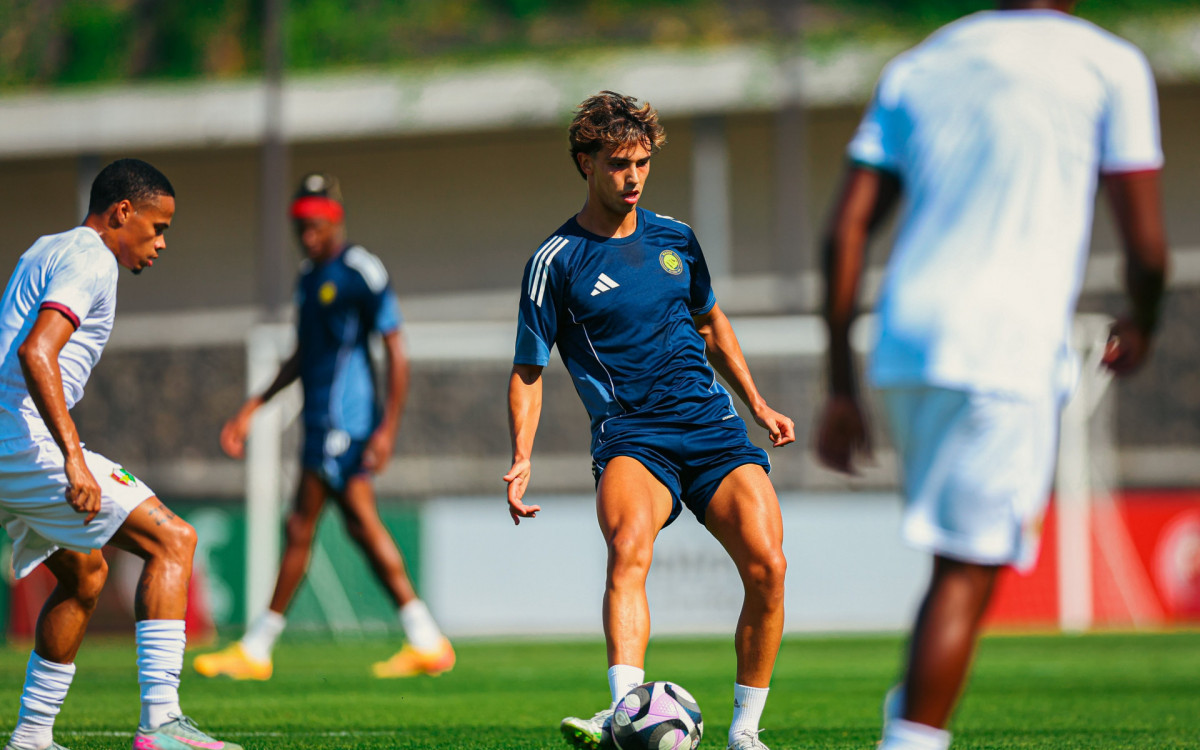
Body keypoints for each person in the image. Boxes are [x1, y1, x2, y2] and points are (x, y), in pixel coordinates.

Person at [814, 3, 1169, 749]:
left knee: (956, 565)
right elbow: (1148, 250)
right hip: (1002, 345)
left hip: (906, 338)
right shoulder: (1107, 63)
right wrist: (1142, 320)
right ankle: (910, 738)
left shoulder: (922, 63)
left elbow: (845, 228)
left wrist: (841, 385)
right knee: (967, 572)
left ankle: (907, 711)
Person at [505, 91, 795, 750]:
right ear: (585, 162)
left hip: (713, 429)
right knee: (629, 553)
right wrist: (521, 456)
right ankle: (624, 715)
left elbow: (711, 322)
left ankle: (746, 732)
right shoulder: (555, 262)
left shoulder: (676, 240)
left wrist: (758, 404)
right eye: (617, 164)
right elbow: (528, 370)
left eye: (641, 162)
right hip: (633, 436)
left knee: (769, 567)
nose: (632, 177)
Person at [0, 159, 240, 750]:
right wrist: (74, 458)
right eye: (157, 227)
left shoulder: (48, 247)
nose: (160, 244)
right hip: (19, 438)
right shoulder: (92, 260)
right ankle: (161, 723)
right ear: (121, 213)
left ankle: (31, 737)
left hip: (8, 440)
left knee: (85, 574)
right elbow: (37, 354)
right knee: (174, 541)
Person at [193, 173, 453, 681]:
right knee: (357, 525)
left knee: (301, 527)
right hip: (320, 423)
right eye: (299, 224)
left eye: (314, 223)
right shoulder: (310, 277)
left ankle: (257, 648)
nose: (306, 233)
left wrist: (386, 429)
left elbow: (396, 352)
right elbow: (303, 355)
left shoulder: (360, 270)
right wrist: (254, 405)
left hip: (344, 423)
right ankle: (426, 638)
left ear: (334, 218)